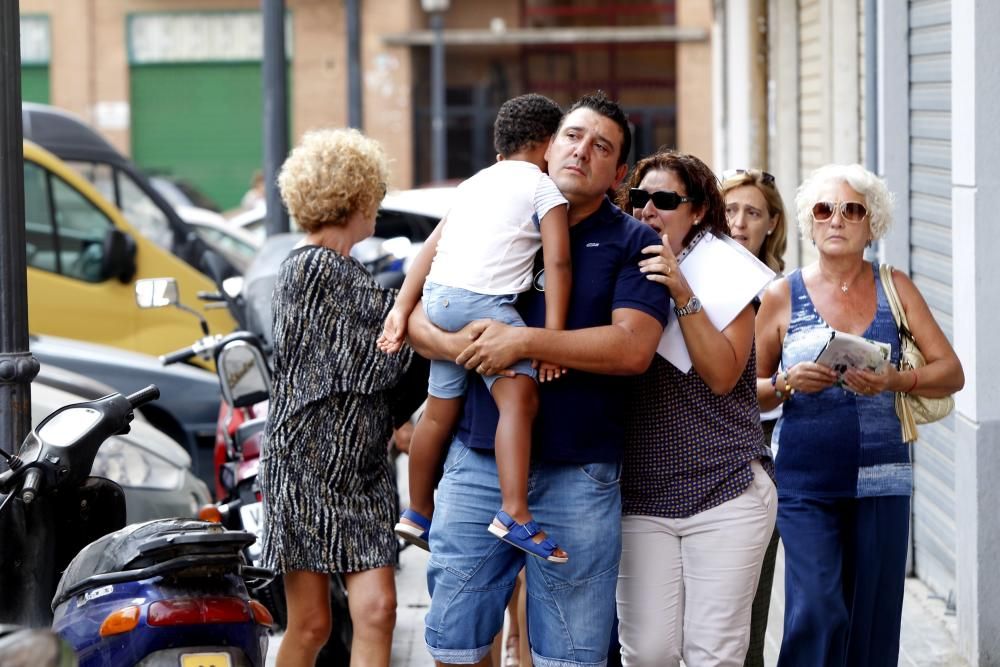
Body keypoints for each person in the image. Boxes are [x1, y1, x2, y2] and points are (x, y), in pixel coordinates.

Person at [407, 91, 671, 666]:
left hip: (579, 476)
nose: (582, 151)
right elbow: (414, 316)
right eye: (573, 136)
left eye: (601, 146)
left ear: (618, 174)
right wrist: (461, 346)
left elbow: (632, 349)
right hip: (477, 464)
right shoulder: (489, 209)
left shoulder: (635, 242)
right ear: (549, 146)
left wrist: (524, 340)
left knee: (569, 656)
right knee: (454, 643)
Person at [755, 163, 964, 666]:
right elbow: (745, 392)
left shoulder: (896, 286)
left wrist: (895, 380)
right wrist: (788, 382)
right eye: (825, 209)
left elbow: (951, 372)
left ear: (872, 225)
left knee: (872, 625)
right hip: (804, 482)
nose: (838, 220)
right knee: (820, 611)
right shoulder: (782, 294)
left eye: (853, 210)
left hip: (884, 479)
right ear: (809, 220)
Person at [378, 93, 572, 562]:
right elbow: (560, 262)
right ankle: (514, 512)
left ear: (499, 146)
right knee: (519, 400)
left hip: (438, 299)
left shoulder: (472, 185)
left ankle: (417, 510)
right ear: (548, 145)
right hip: (483, 305)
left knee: (439, 412)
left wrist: (402, 310)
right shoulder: (544, 189)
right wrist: (553, 340)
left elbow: (427, 251)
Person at [613, 151, 776, 666]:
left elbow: (724, 373)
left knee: (714, 655)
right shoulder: (619, 264)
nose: (648, 211)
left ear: (700, 210)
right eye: (639, 199)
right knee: (648, 653)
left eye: (665, 200)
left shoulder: (724, 272)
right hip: (640, 496)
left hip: (724, 490)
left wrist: (681, 289)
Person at [258, 128, 410, 667]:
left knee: (378, 609)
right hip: (306, 467)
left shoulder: (346, 270)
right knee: (312, 626)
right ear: (357, 198)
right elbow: (384, 350)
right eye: (377, 195)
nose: (379, 207)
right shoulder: (314, 269)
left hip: (361, 471)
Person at [719, 167, 787, 667]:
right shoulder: (686, 280)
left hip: (760, 460)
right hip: (679, 458)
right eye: (730, 210)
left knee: (746, 619)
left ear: (772, 224)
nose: (739, 222)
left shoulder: (783, 293)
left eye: (753, 212)